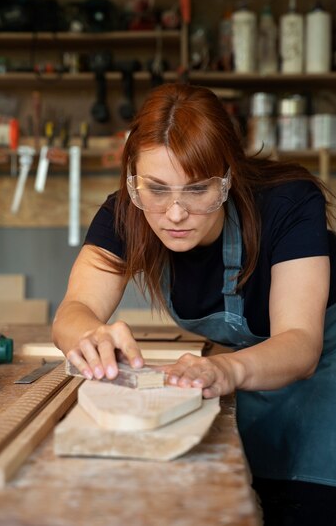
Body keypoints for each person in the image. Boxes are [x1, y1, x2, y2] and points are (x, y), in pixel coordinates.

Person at [52, 83, 336, 526]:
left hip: (324, 372)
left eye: (198, 190)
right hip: (247, 376)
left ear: (228, 176)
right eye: (157, 189)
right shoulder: (126, 212)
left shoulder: (289, 204)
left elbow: (299, 343)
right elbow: (75, 308)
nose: (176, 213)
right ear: (133, 181)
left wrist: (227, 369)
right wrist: (89, 335)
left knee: (307, 505)